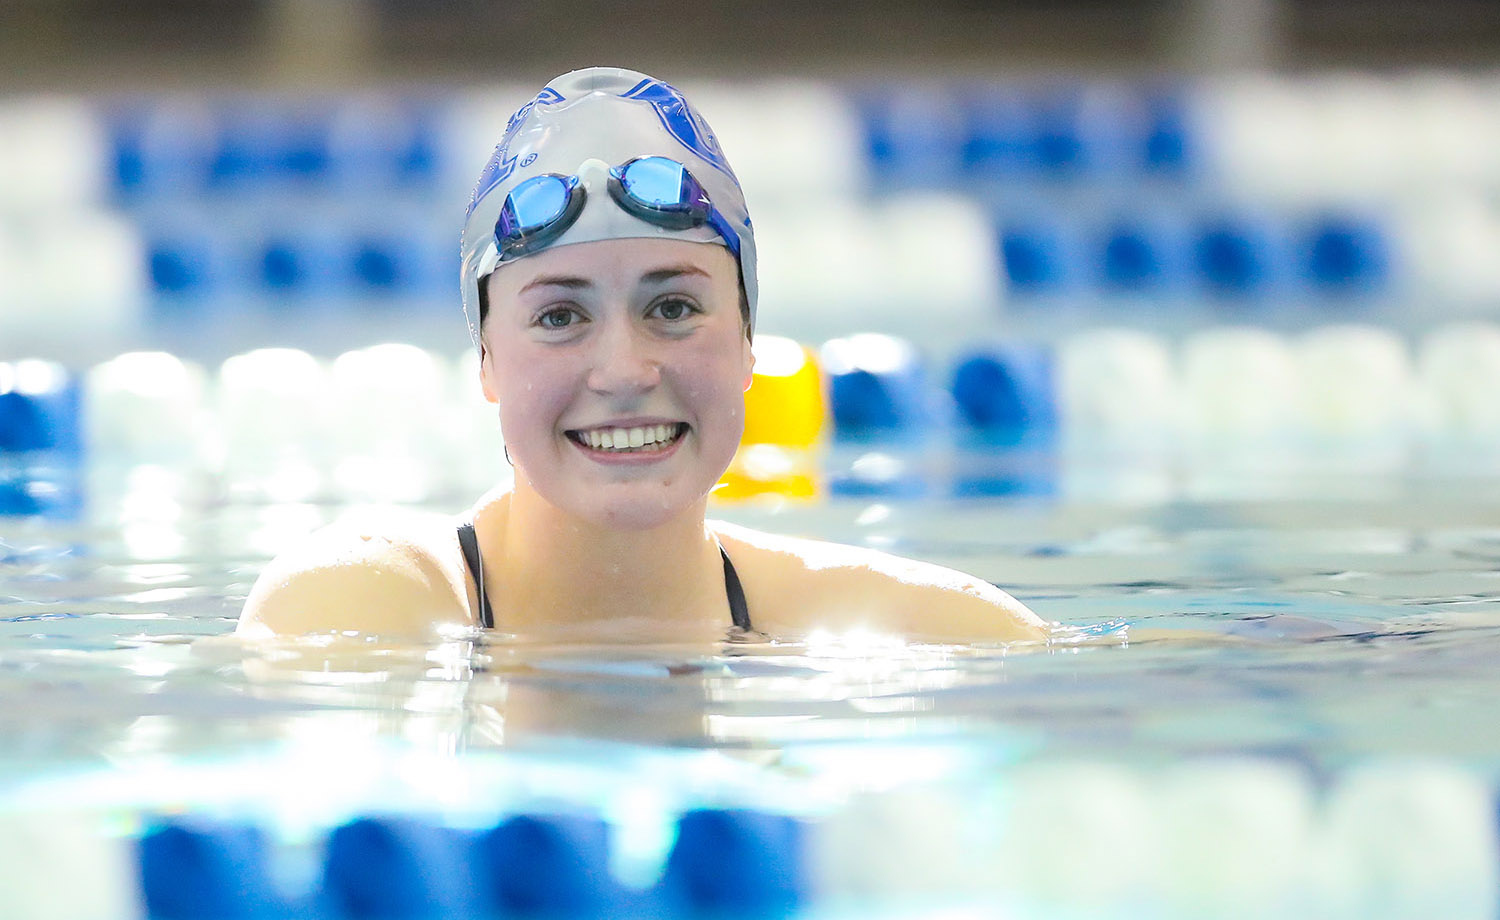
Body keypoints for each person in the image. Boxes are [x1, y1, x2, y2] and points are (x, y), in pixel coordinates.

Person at [237, 67, 1046, 644]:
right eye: (559, 315)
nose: (624, 370)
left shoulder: (905, 628)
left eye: (673, 308)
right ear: (485, 359)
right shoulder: (355, 609)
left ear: (747, 346)